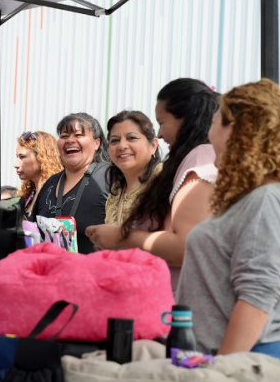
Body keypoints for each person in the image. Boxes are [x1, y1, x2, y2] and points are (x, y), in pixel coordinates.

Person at [178, 79, 280, 382]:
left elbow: (257, 298)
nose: (209, 135)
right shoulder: (256, 198)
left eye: (214, 122)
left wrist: (220, 372)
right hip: (237, 363)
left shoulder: (266, 201)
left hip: (246, 369)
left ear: (233, 128)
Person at [86, 78, 218, 291]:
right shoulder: (116, 188)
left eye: (162, 122)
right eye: (115, 140)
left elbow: (185, 246)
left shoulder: (199, 159)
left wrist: (122, 237)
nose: (160, 133)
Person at [31, 113, 110, 254]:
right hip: (53, 270)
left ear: (97, 143)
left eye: (78, 135)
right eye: (64, 136)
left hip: (95, 271)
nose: (70, 140)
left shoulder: (110, 177)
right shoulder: (51, 183)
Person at [103, 110, 161, 225]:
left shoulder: (165, 179)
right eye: (115, 140)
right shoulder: (116, 191)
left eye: (131, 138)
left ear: (153, 145)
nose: (122, 146)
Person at [13, 131, 63, 219]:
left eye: (22, 157)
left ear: (41, 157)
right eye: (17, 157)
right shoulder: (28, 195)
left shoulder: (56, 192)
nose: (16, 165)